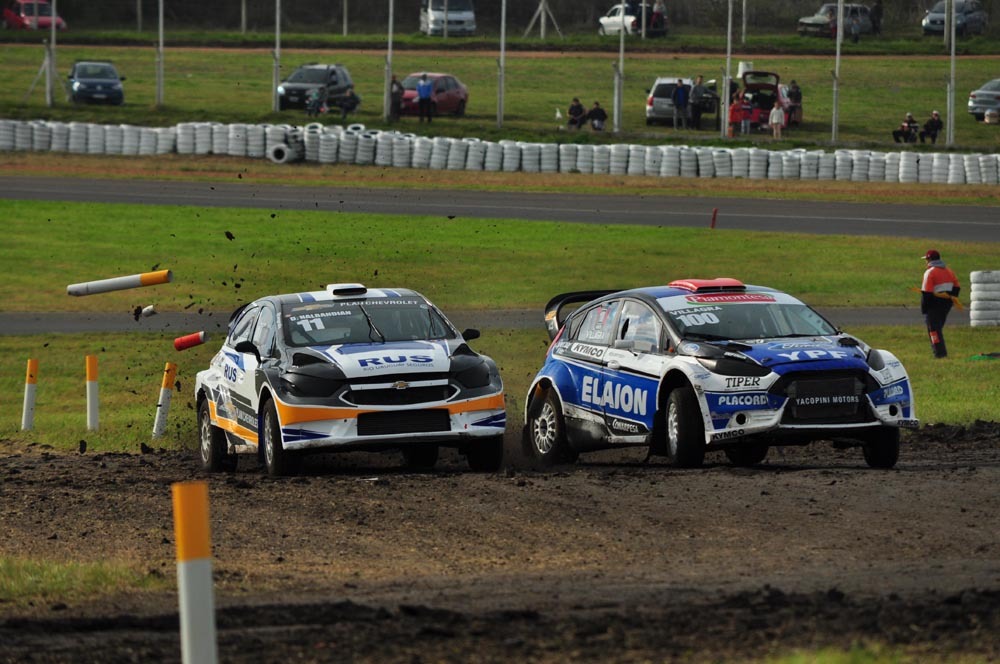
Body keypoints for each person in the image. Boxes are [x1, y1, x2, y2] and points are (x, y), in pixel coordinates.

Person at [920, 249, 961, 358]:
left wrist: (924, 309)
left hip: (933, 305)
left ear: (929, 259)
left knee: (933, 330)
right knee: (937, 328)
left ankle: (940, 354)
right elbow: (957, 287)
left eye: (926, 259)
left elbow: (926, 293)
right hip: (946, 305)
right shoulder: (949, 270)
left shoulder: (930, 272)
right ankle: (940, 352)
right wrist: (950, 299)